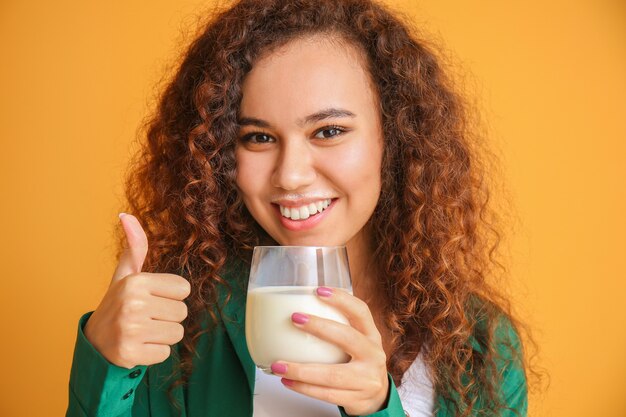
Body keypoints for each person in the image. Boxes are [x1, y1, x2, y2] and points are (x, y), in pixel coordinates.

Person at [67, 0, 531, 416]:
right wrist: (105, 364)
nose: (290, 175)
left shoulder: (481, 346)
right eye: (259, 137)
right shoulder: (180, 322)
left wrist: (377, 408)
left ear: (395, 139)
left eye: (328, 131)